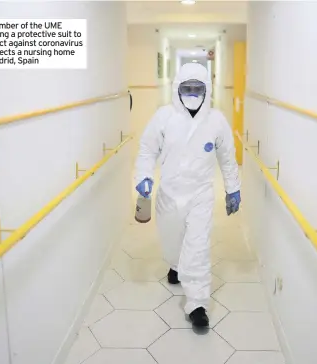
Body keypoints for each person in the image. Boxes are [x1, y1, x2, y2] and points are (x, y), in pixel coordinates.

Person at [134, 63, 241, 328]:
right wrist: (144, 176)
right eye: (187, 88)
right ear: (177, 89)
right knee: (172, 240)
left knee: (197, 246)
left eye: (197, 88)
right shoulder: (164, 117)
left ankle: (197, 304)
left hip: (201, 195)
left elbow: (228, 158)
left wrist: (233, 188)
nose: (192, 93)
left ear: (207, 90)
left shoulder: (216, 120)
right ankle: (175, 264)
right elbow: (147, 150)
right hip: (169, 194)